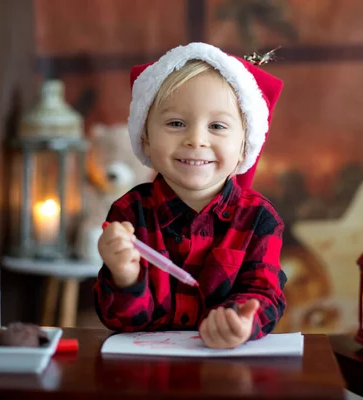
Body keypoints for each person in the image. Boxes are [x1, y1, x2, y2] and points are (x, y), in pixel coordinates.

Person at [93, 42, 286, 349]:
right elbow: (123, 322)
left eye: (217, 126)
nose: (196, 139)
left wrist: (239, 320)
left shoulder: (259, 219)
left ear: (245, 145)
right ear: (145, 137)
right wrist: (125, 276)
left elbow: (264, 293)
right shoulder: (130, 213)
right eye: (176, 123)